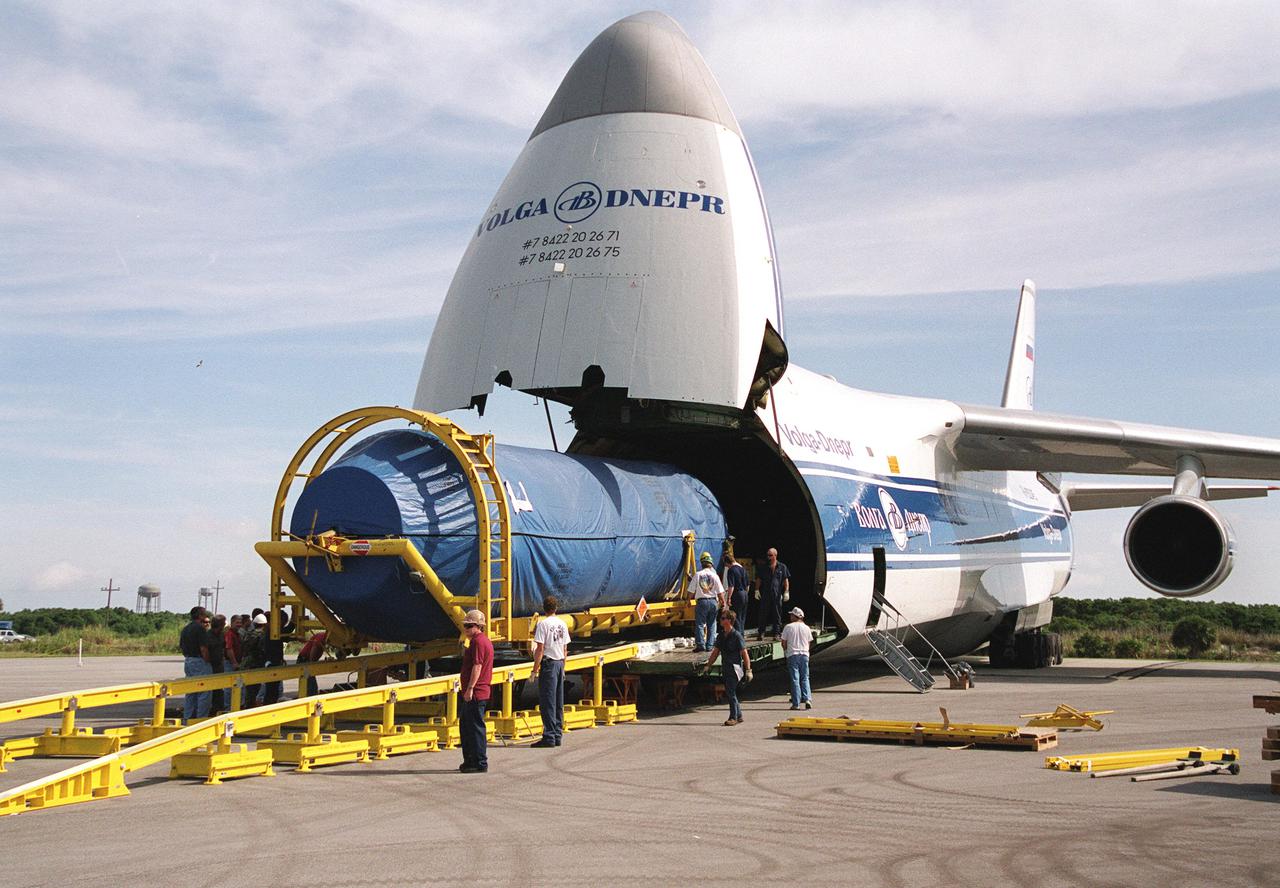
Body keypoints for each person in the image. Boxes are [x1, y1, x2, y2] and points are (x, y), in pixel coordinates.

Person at [530, 596, 570, 748]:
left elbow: (539, 649)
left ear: (544, 608)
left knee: (547, 701)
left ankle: (549, 736)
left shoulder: (543, 624)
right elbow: (566, 649)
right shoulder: (562, 624)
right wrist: (563, 667)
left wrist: (534, 669)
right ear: (556, 608)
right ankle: (557, 734)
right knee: (558, 701)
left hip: (549, 664)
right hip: (560, 663)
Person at [700, 610, 751, 726]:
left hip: (735, 668)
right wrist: (708, 665)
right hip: (726, 667)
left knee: (730, 692)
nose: (720, 620)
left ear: (729, 620)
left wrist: (748, 670)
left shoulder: (737, 636)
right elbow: (715, 652)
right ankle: (739, 715)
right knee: (730, 692)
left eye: (723, 618)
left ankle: (733, 717)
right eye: (721, 618)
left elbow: (744, 653)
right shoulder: (721, 636)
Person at [459, 608, 493, 773]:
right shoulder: (479, 641)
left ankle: (479, 762)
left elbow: (477, 666)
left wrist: (470, 688)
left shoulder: (479, 642)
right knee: (466, 727)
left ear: (478, 626)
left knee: (474, 728)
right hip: (474, 692)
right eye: (465, 625)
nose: (465, 629)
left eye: (469, 626)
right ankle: (470, 760)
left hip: (476, 692)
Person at [179, 606, 212, 722]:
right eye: (204, 614)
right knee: (204, 691)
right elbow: (203, 648)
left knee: (191, 691)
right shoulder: (200, 629)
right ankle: (201, 719)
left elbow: (182, 647)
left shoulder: (186, 629)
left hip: (188, 660)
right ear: (200, 616)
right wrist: (207, 660)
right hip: (199, 661)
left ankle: (188, 718)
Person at [691, 551, 725, 652]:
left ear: (701, 563)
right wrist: (723, 601)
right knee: (712, 623)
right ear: (711, 563)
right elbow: (720, 591)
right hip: (713, 602)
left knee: (700, 624)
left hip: (701, 602)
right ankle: (710, 646)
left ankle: (701, 645)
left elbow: (691, 590)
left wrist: (689, 599)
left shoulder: (698, 574)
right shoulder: (714, 575)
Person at [781, 606, 814, 710]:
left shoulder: (788, 627)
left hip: (793, 654)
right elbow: (809, 642)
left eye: (791, 615)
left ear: (795, 616)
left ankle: (796, 704)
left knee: (795, 679)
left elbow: (784, 643)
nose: (790, 616)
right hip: (804, 654)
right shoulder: (807, 628)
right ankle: (807, 699)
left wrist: (786, 651)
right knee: (805, 677)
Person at [754, 547, 791, 639]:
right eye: (767, 555)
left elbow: (785, 580)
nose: (768, 557)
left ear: (775, 555)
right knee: (763, 614)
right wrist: (756, 590)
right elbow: (759, 579)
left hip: (777, 594)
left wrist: (786, 591)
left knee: (777, 614)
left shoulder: (782, 567)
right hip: (766, 593)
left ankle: (777, 633)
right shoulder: (763, 567)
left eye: (770, 555)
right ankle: (761, 633)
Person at [240, 613, 267, 708]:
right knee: (254, 688)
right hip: (256, 664)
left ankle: (247, 705)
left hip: (246, 663)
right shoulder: (262, 635)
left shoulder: (248, 633)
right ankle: (250, 707)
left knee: (248, 688)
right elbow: (263, 650)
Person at [722, 551, 750, 635]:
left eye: (725, 563)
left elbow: (731, 586)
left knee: (735, 616)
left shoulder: (731, 570)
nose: (725, 565)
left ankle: (738, 636)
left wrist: (729, 598)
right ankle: (742, 634)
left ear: (727, 562)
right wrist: (745, 594)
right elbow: (748, 585)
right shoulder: (742, 569)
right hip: (744, 594)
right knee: (742, 616)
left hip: (737, 594)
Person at [207, 614, 229, 715]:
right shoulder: (208, 636)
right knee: (210, 689)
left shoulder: (221, 635)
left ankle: (218, 709)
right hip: (210, 666)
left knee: (219, 690)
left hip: (219, 665)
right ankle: (210, 710)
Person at [297, 630, 327, 696]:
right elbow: (314, 648)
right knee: (310, 684)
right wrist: (311, 663)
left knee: (308, 682)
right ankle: (309, 697)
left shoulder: (324, 637)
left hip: (305, 660)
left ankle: (306, 695)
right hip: (304, 661)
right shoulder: (322, 636)